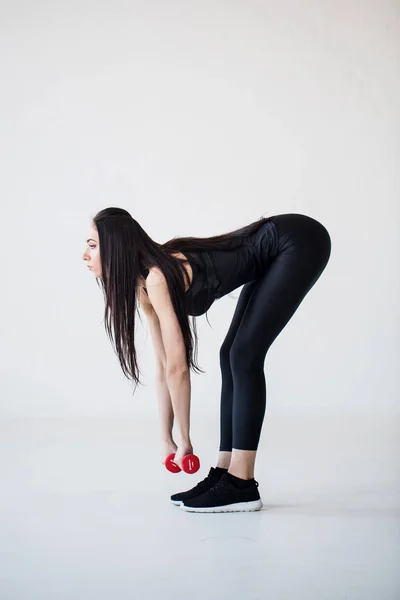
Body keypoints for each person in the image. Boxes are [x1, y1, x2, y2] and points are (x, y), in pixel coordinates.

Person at [82, 207, 331, 513]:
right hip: (279, 246)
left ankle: (242, 483)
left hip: (299, 240)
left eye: (92, 245)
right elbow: (163, 365)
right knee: (231, 354)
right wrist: (166, 438)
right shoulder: (144, 283)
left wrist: (185, 439)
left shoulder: (158, 278)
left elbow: (178, 366)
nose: (85, 255)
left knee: (244, 354)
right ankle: (226, 473)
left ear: (115, 247)